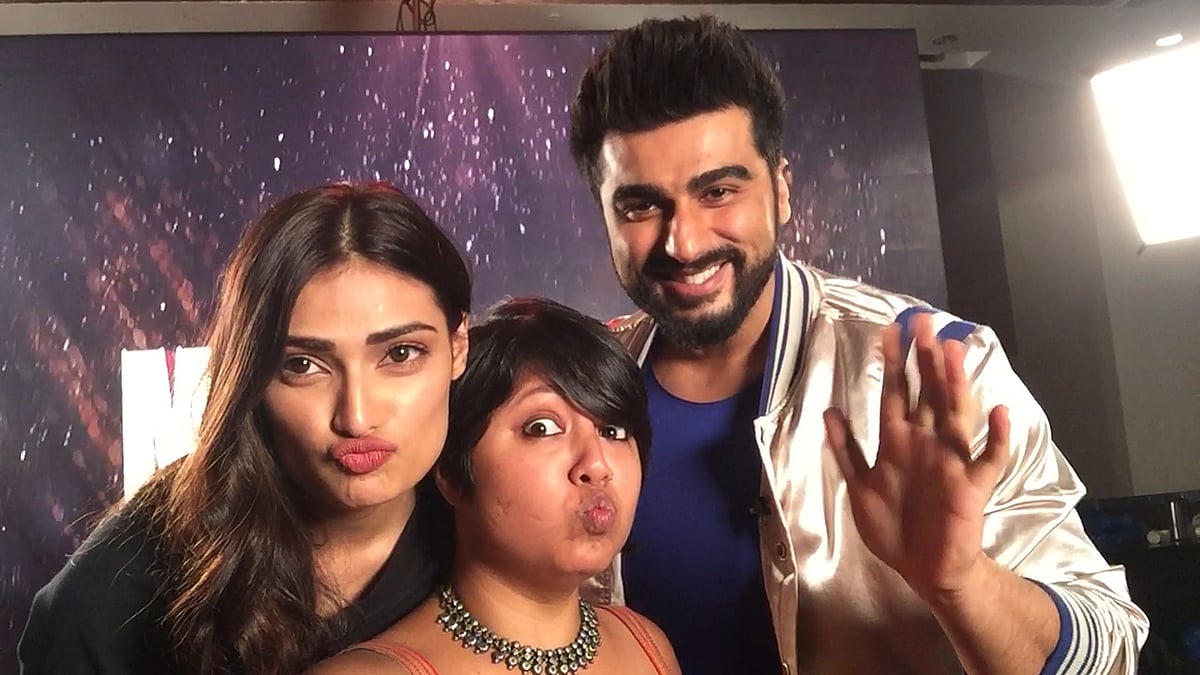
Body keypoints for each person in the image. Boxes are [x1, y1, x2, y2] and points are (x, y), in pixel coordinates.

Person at [567, 16, 1149, 675]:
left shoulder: (937, 367)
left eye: (719, 191)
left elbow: (1109, 650)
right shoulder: (574, 389)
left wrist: (962, 581)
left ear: (780, 189)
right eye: (641, 206)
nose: (685, 242)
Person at [18, 182, 471, 674]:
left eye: (400, 354)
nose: (356, 416)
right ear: (252, 373)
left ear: (458, 346)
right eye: (302, 365)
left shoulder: (507, 523)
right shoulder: (125, 585)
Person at [309, 297, 681, 675]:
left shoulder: (645, 646)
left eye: (613, 431)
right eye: (542, 428)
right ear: (452, 473)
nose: (597, 466)